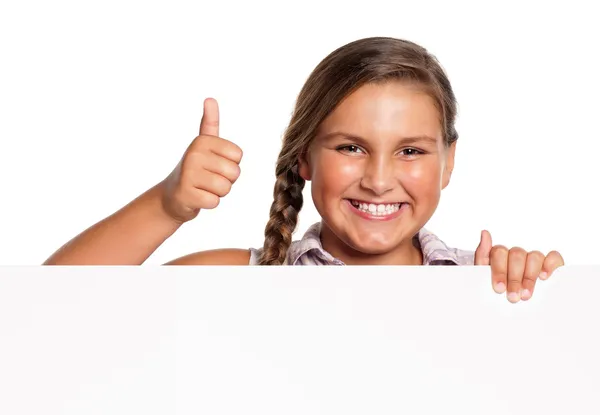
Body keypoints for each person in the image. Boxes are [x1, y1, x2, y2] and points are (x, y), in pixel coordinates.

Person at [44, 36, 564, 303]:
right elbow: (47, 310)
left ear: (449, 162)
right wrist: (165, 206)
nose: (380, 179)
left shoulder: (484, 283)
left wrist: (530, 290)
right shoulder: (242, 282)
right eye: (350, 148)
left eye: (410, 151)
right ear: (304, 156)